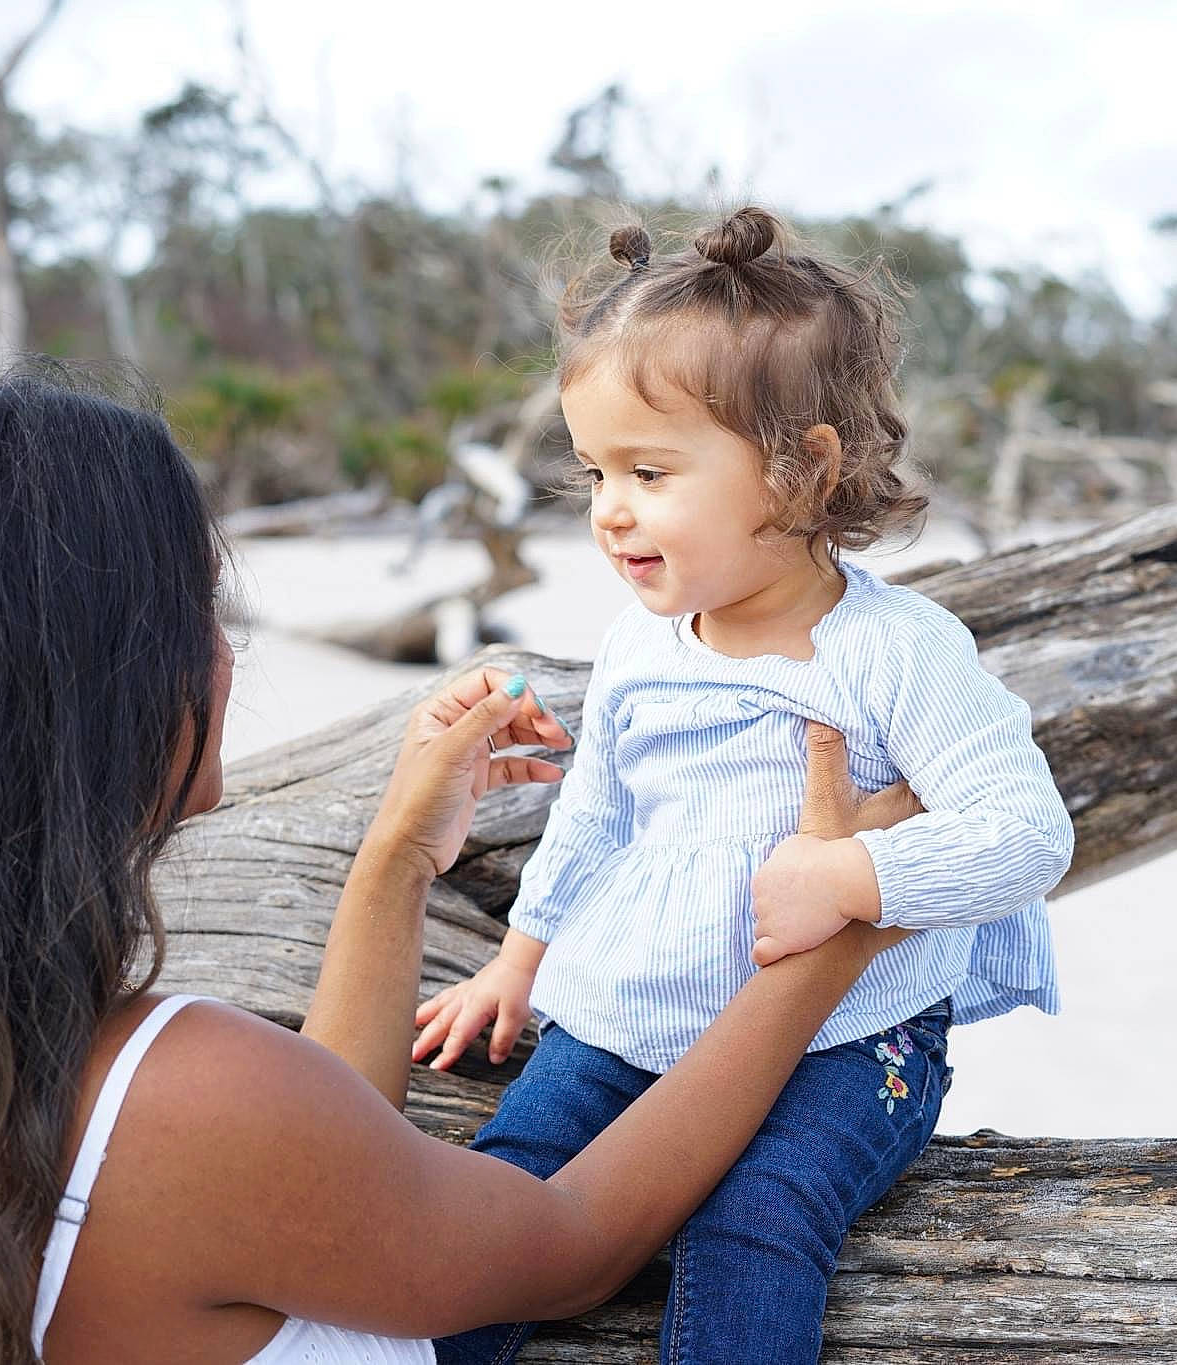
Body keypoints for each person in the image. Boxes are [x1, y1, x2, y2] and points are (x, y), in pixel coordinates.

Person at [0, 370, 922, 1365]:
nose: (223, 651)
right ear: (108, 684)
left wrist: (398, 857)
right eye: (201, 607)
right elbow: (568, 1246)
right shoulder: (177, 1100)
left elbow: (319, 1166)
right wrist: (835, 935)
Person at [412, 207, 1075, 1364]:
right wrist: (520, 961)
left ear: (802, 469)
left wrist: (851, 877)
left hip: (850, 1041)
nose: (609, 509)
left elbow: (1027, 834)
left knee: (753, 1221)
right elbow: (595, 815)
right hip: (634, 1007)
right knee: (506, 1193)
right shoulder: (638, 644)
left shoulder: (895, 651)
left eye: (649, 472)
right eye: (594, 471)